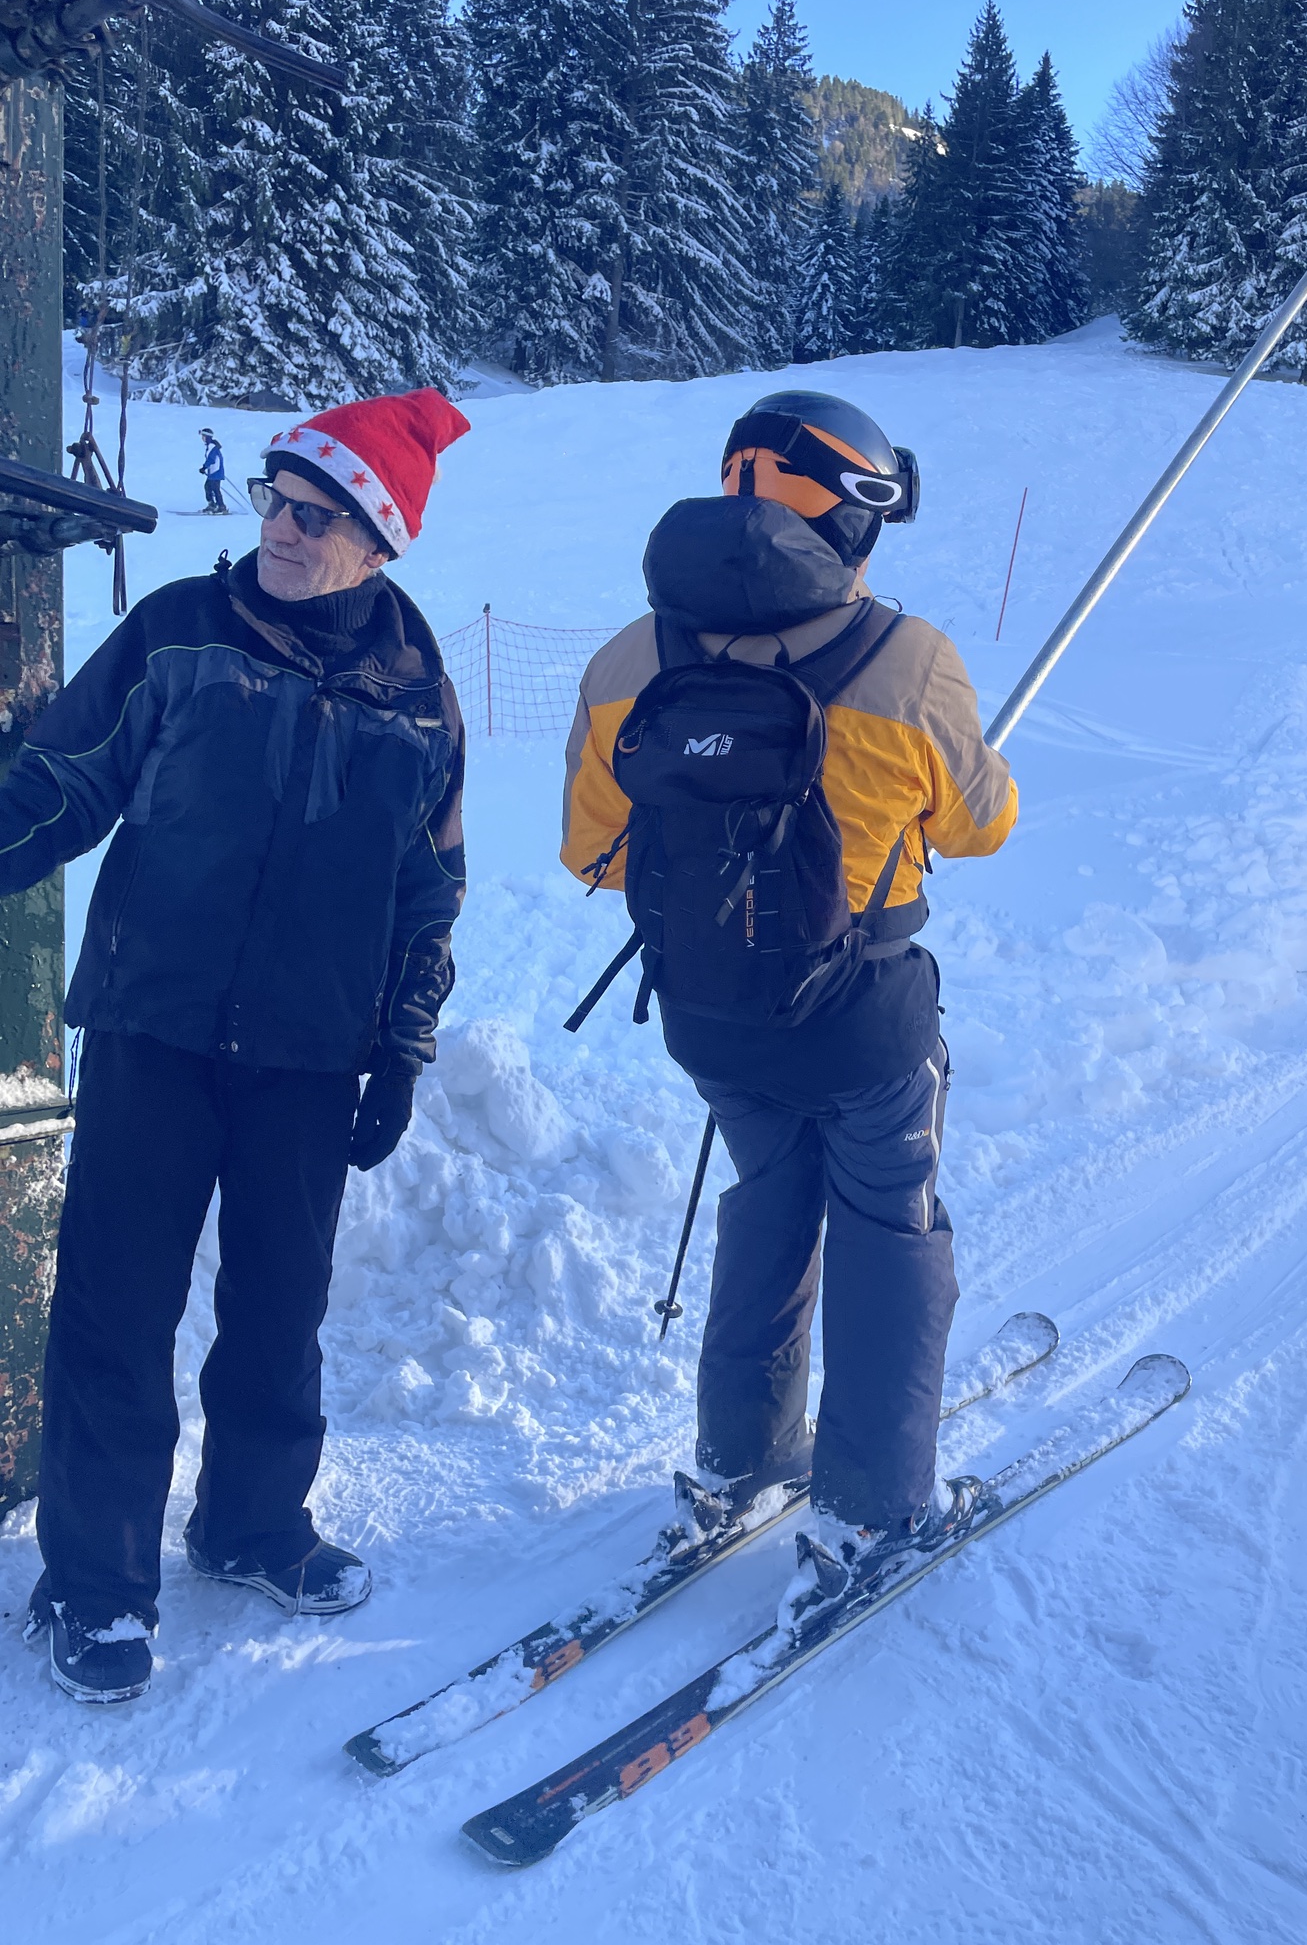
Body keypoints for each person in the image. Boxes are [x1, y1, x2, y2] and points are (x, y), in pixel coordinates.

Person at [2, 389, 470, 1704]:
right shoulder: (178, 635)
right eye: (275, 499)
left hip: (313, 1058)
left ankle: (251, 1525)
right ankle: (92, 1587)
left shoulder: (419, 701)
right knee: (114, 1310)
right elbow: (58, 782)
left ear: (380, 542)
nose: (282, 528)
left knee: (280, 1312)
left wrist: (404, 1043)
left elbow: (430, 891)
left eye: (317, 515)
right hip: (156, 1027)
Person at [562, 390, 1017, 1616]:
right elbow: (983, 824)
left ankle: (738, 1458)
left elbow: (588, 850)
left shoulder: (626, 662)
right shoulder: (908, 657)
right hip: (866, 1017)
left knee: (770, 1202)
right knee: (887, 1228)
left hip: (712, 1020)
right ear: (850, 515)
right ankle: (876, 1503)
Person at [199, 427, 228, 514]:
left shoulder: (212, 447)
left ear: (207, 437)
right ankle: (212, 504)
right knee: (208, 487)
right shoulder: (211, 446)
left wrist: (204, 467)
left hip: (216, 472)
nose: (202, 438)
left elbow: (211, 459)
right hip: (213, 472)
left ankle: (221, 506)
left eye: (203, 436)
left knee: (215, 489)